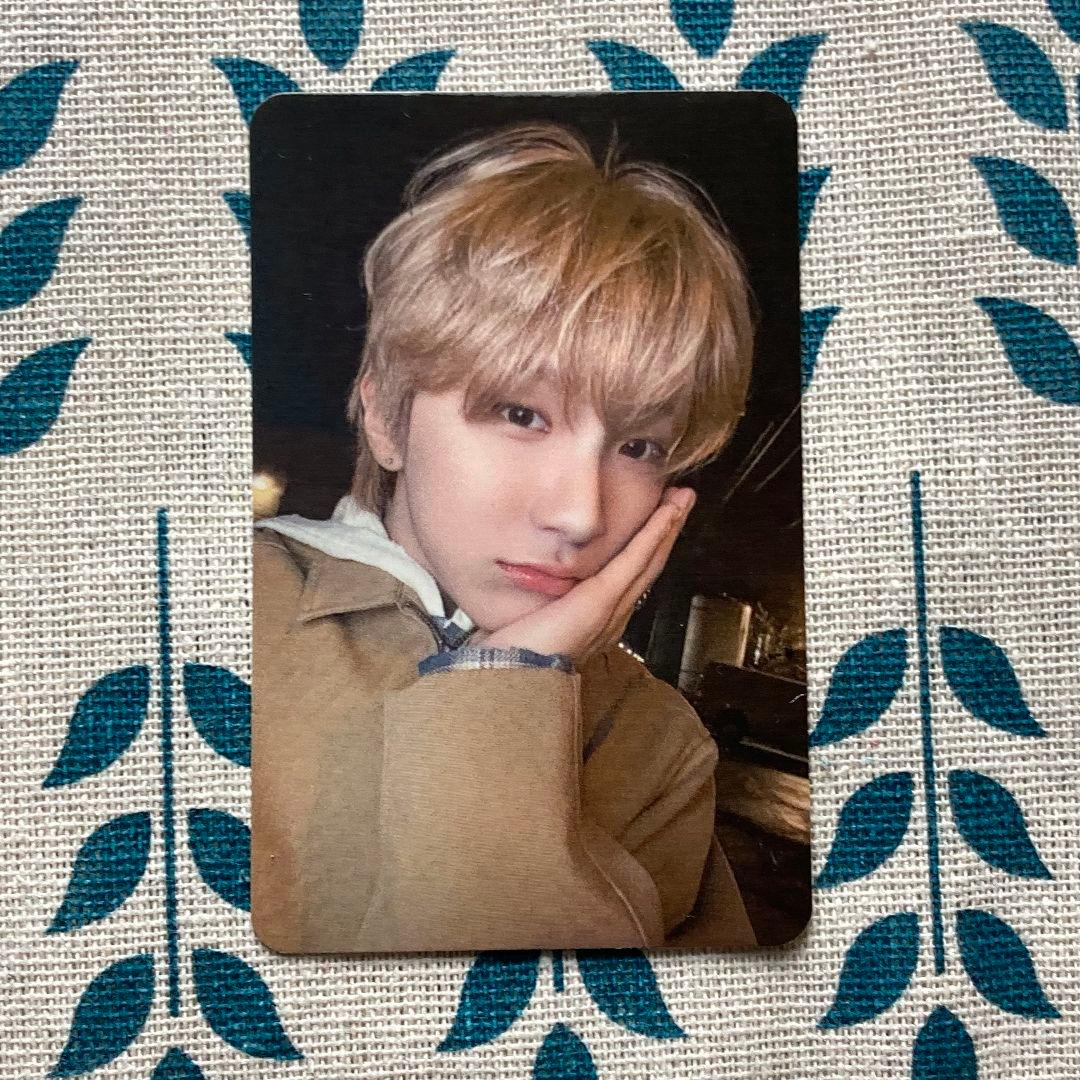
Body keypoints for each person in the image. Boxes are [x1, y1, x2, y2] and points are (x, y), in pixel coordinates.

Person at [250, 121, 758, 953]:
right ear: (386, 416)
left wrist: (506, 684)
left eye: (639, 447)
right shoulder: (218, 614)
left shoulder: (659, 744)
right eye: (521, 413)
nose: (581, 515)